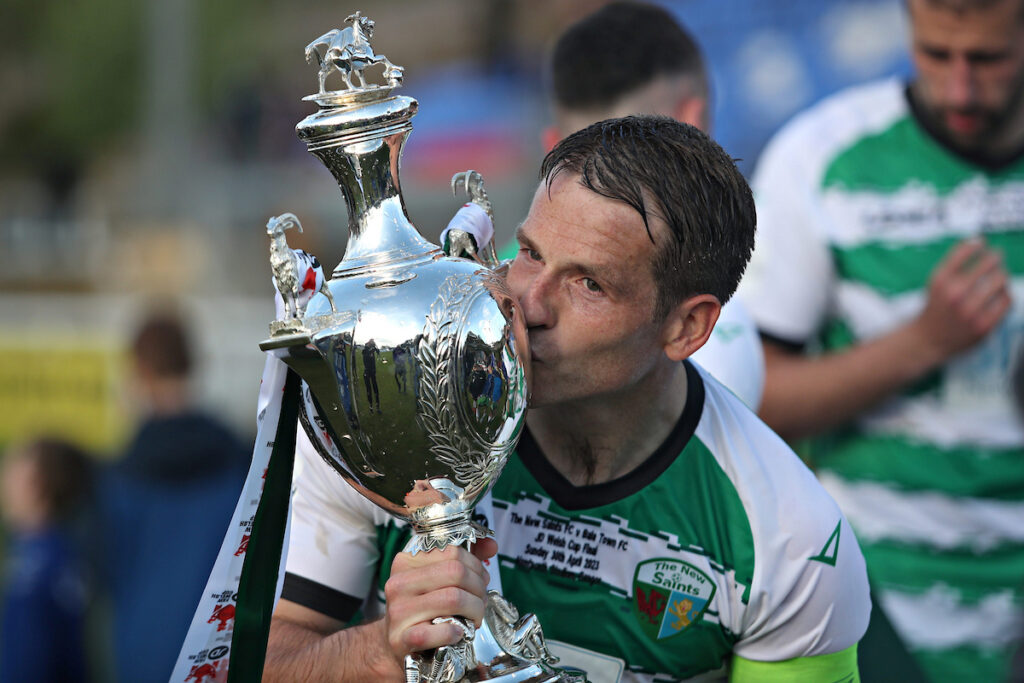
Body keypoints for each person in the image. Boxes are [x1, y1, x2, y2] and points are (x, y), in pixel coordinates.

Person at [264, 116, 871, 681]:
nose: (528, 303)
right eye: (529, 253)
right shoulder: (388, 421)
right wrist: (379, 651)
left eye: (589, 284)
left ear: (687, 328)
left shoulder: (791, 539)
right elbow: (259, 662)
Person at [735, 0, 1024, 679]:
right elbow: (748, 396)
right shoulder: (821, 156)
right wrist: (922, 342)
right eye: (933, 53)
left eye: (987, 59)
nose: (959, 86)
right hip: (874, 606)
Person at [534, 1, 764, 410]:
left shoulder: (494, 285)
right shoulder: (757, 271)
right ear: (693, 122)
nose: (537, 307)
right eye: (533, 255)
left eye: (591, 286)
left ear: (552, 148)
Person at [95, 310, 249, 683]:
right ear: (192, 364)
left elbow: (104, 574)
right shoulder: (243, 461)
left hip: (142, 656)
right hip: (221, 658)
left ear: (140, 371)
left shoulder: (120, 476)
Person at [0, 438, 91, 683]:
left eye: (12, 469)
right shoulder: (62, 554)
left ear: (36, 482)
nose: (3, 480)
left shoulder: (34, 571)